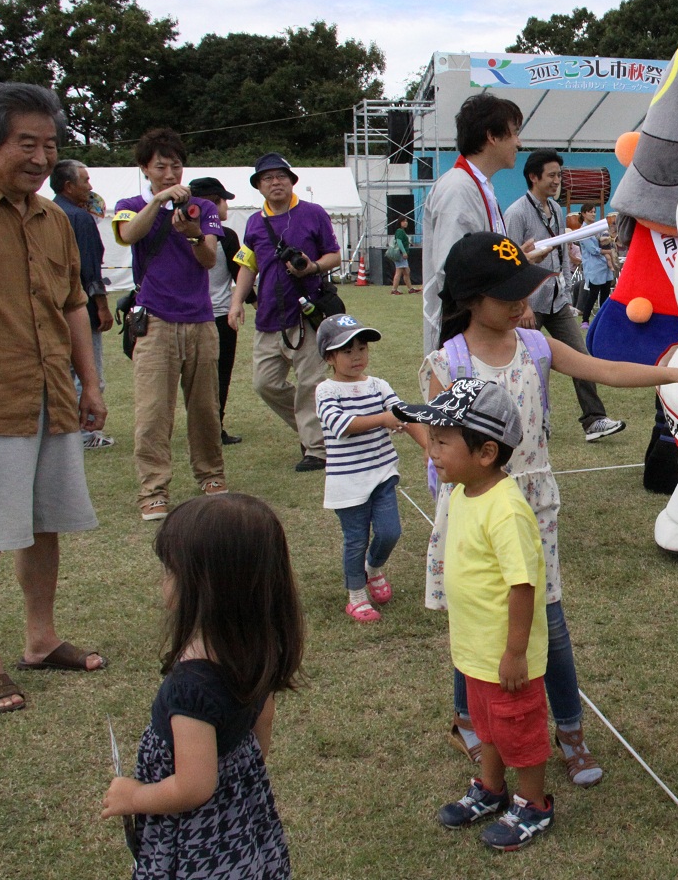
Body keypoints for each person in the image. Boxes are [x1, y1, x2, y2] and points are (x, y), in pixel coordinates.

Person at [420, 232, 678, 788]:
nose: (520, 302)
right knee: (476, 618)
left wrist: (673, 375)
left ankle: (571, 731)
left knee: (546, 621)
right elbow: (438, 443)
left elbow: (602, 369)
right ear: (469, 300)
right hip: (472, 513)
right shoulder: (447, 362)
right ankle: (470, 718)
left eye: (523, 290)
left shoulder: (536, 346)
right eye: (507, 293)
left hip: (532, 508)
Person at [0, 82, 107, 714]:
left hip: (53, 398)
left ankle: (41, 639)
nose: (42, 157)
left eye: (50, 145)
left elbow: (74, 304)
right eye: (27, 143)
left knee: (44, 524)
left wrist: (92, 383)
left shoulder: (56, 220)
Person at [102, 494, 302, 878]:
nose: (163, 581)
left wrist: (134, 796)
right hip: (240, 811)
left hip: (197, 835)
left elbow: (192, 787)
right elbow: (262, 735)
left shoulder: (190, 688)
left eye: (170, 571)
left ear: (205, 586)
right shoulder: (258, 647)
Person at [398, 379, 555, 850]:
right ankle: (490, 788)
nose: (432, 450)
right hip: (474, 650)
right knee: (486, 724)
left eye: (443, 441)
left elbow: (522, 583)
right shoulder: (465, 492)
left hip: (506, 658)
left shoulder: (505, 508)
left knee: (519, 730)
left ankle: (534, 804)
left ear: (486, 452)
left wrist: (514, 652)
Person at [113, 128, 227, 519]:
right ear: (145, 168)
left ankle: (211, 474)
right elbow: (129, 235)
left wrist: (194, 234)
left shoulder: (202, 208)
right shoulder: (129, 204)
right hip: (155, 321)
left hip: (200, 320)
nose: (169, 172)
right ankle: (153, 490)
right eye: (160, 166)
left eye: (175, 165)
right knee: (153, 412)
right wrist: (159, 201)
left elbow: (209, 260)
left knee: (205, 408)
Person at [229, 153, 342, 473]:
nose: (275, 182)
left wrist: (313, 267)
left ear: (291, 181)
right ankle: (314, 432)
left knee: (310, 382)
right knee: (265, 383)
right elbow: (247, 266)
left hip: (307, 311)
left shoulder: (313, 213)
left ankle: (317, 449)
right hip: (268, 313)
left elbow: (334, 255)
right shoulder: (253, 223)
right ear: (259, 186)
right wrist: (237, 302)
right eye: (267, 178)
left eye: (281, 176)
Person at [504, 150, 625, 442]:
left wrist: (568, 290)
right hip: (528, 302)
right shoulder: (517, 213)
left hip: (558, 299)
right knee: (527, 364)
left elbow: (563, 254)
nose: (558, 180)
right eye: (552, 175)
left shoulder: (557, 211)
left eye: (560, 175)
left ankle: (594, 419)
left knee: (580, 356)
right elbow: (510, 263)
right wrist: (523, 303)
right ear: (534, 177)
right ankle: (527, 422)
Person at [314, 314, 426, 622]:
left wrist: (429, 448)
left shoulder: (378, 386)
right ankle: (356, 595)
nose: (357, 356)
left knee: (390, 531)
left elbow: (402, 414)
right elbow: (343, 425)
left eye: (361, 349)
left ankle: (373, 569)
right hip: (348, 481)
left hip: (382, 473)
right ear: (329, 357)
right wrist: (383, 420)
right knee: (356, 539)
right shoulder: (326, 391)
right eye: (347, 351)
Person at [421, 92, 525, 354]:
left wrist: (516, 258)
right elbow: (454, 267)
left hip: (477, 329)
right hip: (461, 333)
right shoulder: (458, 188)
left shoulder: (479, 185)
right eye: (513, 133)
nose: (518, 143)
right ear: (492, 136)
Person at [50, 159, 114, 450]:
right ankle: (85, 434)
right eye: (85, 181)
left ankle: (65, 431)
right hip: (81, 307)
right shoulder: (79, 217)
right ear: (69, 186)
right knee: (86, 372)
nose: (90, 187)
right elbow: (89, 268)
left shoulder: (49, 212)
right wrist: (101, 306)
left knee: (62, 372)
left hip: (53, 306)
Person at [190, 177, 244, 446]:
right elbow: (239, 273)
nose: (226, 208)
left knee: (196, 378)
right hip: (219, 316)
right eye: (224, 201)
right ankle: (214, 428)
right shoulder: (225, 236)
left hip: (195, 315)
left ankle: (205, 427)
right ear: (212, 202)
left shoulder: (179, 231)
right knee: (220, 375)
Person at [575, 205, 616, 325]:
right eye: (590, 212)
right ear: (583, 213)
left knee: (605, 293)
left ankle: (602, 319)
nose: (593, 214)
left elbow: (606, 240)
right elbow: (592, 250)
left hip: (605, 265)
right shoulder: (583, 231)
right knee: (592, 294)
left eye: (594, 212)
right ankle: (585, 320)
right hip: (594, 267)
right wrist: (608, 251)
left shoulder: (598, 228)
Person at [389, 217, 417, 294]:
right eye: (403, 221)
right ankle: (394, 289)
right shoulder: (399, 231)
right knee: (399, 272)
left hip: (402, 255)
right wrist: (404, 252)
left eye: (406, 221)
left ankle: (410, 288)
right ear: (400, 223)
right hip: (400, 254)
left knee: (406, 271)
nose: (405, 223)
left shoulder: (402, 231)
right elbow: (399, 242)